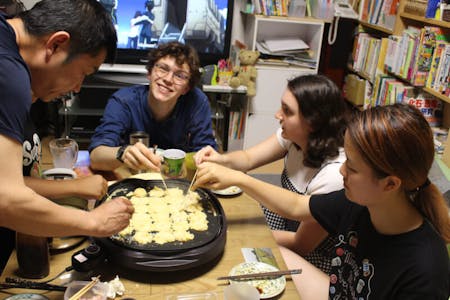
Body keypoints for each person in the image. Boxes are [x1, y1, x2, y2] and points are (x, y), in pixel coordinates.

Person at [193, 103, 450, 299]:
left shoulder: (425, 269)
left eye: (353, 167)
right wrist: (240, 179)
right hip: (336, 291)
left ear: (390, 184)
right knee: (266, 256)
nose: (341, 171)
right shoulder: (359, 202)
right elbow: (296, 206)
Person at [0, 0, 133, 243]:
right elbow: (6, 199)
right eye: (84, 72)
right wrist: (94, 222)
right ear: (56, 44)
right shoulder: (8, 74)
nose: (78, 87)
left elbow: (9, 179)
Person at [195, 74, 348, 272]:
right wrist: (220, 159)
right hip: (287, 223)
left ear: (313, 122)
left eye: (287, 111)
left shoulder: (335, 175)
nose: (278, 115)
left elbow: (300, 245)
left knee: (231, 248)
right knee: (233, 212)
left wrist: (234, 234)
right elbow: (249, 158)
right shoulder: (294, 137)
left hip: (314, 253)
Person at [89, 41, 217, 172]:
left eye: (179, 75)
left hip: (177, 180)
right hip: (132, 178)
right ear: (149, 73)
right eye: (163, 68)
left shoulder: (197, 102)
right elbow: (96, 156)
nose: (168, 79)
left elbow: (208, 154)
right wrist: (123, 153)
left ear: (186, 88)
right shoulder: (123, 101)